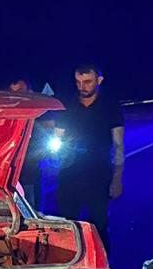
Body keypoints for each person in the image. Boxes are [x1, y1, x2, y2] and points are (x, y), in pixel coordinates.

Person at [55, 63, 124, 248]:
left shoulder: (110, 106)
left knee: (99, 225)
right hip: (69, 174)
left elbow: (118, 145)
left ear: (99, 80)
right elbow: (57, 136)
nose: (82, 87)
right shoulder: (68, 105)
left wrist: (117, 178)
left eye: (87, 82)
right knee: (67, 224)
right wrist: (54, 161)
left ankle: (102, 261)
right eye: (78, 82)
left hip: (99, 174)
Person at [8, 77, 46, 210]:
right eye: (12, 92)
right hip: (8, 177)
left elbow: (42, 145)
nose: (15, 96)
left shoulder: (38, 116)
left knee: (30, 209)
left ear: (29, 92)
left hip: (28, 175)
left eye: (19, 91)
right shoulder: (5, 116)